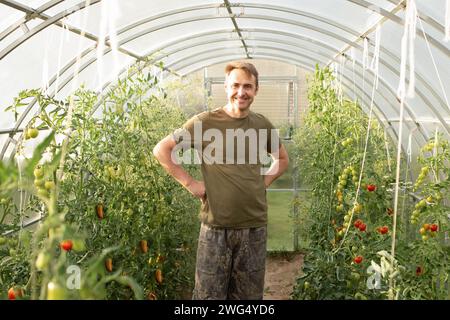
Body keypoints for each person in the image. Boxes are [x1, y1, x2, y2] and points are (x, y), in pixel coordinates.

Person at [153, 61, 289, 300]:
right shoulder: (205, 122)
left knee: (248, 297)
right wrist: (190, 184)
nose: (241, 92)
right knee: (208, 296)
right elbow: (162, 150)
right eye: (235, 85)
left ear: (256, 90)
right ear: (226, 87)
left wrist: (263, 183)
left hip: (254, 226)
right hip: (215, 227)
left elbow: (282, 159)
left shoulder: (261, 124)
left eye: (248, 86)